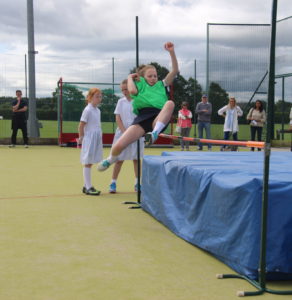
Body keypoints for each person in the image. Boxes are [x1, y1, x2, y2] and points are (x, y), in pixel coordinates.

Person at [97, 41, 178, 172]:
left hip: (159, 117)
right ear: (143, 77)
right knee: (119, 145)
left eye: (155, 76)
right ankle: (111, 159)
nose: (153, 78)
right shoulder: (140, 85)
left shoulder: (161, 85)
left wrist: (171, 52)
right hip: (142, 117)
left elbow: (174, 71)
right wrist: (129, 78)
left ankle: (154, 134)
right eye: (150, 76)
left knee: (170, 103)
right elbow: (132, 91)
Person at [109, 79, 144, 193]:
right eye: (122, 90)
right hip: (122, 133)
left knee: (136, 159)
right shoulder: (120, 102)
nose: (124, 92)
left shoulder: (139, 100)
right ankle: (113, 183)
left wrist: (134, 131)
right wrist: (125, 132)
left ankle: (137, 184)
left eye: (126, 89)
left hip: (136, 132)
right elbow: (118, 118)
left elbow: (142, 116)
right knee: (119, 159)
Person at [78, 88, 103, 195]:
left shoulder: (98, 110)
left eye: (100, 96)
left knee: (90, 162)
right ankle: (88, 187)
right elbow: (81, 125)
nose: (99, 98)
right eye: (97, 96)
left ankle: (85, 186)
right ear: (90, 97)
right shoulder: (87, 110)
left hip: (96, 138)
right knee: (87, 163)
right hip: (89, 139)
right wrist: (81, 138)